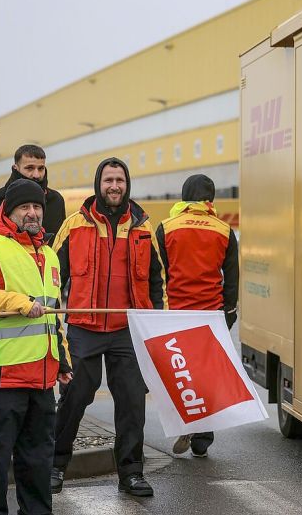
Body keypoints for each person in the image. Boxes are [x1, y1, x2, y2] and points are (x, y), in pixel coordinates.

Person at [49, 157, 166, 497]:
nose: (114, 186)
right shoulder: (75, 225)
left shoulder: (143, 227)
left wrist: (154, 325)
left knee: (131, 401)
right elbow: (53, 280)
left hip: (127, 328)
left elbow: (158, 282)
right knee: (76, 396)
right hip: (84, 326)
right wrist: (54, 324)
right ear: (98, 184)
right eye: (108, 180)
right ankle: (55, 465)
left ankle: (131, 473)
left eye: (120, 180)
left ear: (127, 185)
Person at [0, 179, 73, 515]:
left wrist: (61, 360)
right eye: (25, 207)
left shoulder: (49, 255)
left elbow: (53, 315)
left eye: (37, 207)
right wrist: (19, 302)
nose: (33, 213)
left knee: (37, 460)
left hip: (40, 378)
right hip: (2, 376)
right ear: (10, 211)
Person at [157, 175, 239, 458]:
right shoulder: (224, 230)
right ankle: (203, 436)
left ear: (183, 197)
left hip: (176, 313)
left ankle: (185, 419)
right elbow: (231, 277)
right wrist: (229, 312)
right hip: (210, 315)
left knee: (180, 373)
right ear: (210, 200)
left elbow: (160, 272)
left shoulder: (166, 228)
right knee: (205, 375)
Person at [0, 144, 66, 247]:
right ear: (16, 168)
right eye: (29, 168)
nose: (36, 175)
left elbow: (62, 243)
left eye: (41, 168)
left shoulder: (56, 200)